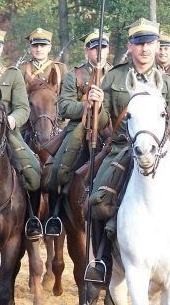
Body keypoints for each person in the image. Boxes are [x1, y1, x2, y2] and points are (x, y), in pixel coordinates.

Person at [87, 18, 170, 282]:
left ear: (157, 45)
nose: (144, 49)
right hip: (123, 148)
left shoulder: (168, 82)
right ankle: (101, 259)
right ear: (130, 46)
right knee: (97, 198)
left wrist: (158, 143)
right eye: (139, 44)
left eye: (149, 43)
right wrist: (97, 106)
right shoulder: (113, 76)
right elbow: (102, 124)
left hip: (162, 150)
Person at [0, 26, 43, 242]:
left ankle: (31, 219)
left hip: (6, 133)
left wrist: (13, 119)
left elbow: (23, 107)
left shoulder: (13, 75)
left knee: (33, 172)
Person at [44, 28, 112, 237]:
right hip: (78, 128)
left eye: (103, 47)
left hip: (109, 128)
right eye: (94, 48)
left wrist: (101, 107)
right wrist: (86, 106)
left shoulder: (116, 74)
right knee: (57, 170)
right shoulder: (76, 74)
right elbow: (64, 106)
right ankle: (54, 215)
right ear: (87, 51)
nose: (99, 52)